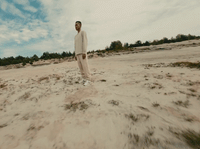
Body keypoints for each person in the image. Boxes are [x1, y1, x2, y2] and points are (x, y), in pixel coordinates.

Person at [74, 21, 92, 86]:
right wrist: (75, 54)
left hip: (82, 53)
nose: (76, 26)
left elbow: (85, 42)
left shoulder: (83, 32)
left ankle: (88, 79)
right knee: (81, 68)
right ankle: (84, 79)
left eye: (77, 25)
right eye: (75, 25)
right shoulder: (75, 36)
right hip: (78, 54)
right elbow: (75, 45)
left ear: (80, 25)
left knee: (85, 67)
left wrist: (84, 52)